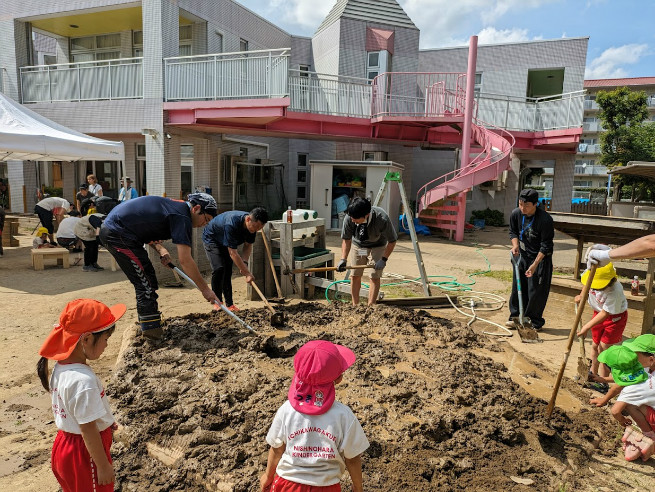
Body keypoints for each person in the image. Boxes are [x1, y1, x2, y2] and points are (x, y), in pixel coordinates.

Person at [99, 193, 219, 339]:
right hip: (117, 233)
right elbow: (185, 260)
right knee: (145, 283)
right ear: (197, 208)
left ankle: (150, 324)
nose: (203, 224)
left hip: (122, 231)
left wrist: (161, 249)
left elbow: (144, 225)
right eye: (205, 219)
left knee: (148, 276)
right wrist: (205, 290)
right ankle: (151, 332)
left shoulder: (177, 208)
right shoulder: (183, 216)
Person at [37, 298, 125, 491]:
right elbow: (87, 429)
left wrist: (105, 421)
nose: (107, 345)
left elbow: (76, 412)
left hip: (64, 445)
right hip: (85, 454)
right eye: (105, 339)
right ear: (86, 339)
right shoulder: (83, 381)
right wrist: (102, 466)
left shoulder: (61, 368)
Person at [260, 340, 369, 492]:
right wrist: (358, 487)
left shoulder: (286, 410)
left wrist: (268, 476)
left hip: (287, 484)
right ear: (339, 378)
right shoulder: (344, 415)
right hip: (326, 487)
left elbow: (277, 449)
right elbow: (352, 458)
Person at [202, 207, 268, 311]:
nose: (256, 230)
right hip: (212, 239)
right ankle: (217, 302)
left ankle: (230, 305)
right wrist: (247, 273)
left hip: (226, 241)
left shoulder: (253, 227)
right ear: (248, 219)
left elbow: (248, 245)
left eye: (259, 228)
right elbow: (233, 253)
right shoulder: (232, 224)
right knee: (219, 268)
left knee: (228, 270)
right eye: (255, 227)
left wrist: (244, 263)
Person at [575, 262, 628, 392]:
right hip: (598, 313)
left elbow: (606, 313)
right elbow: (586, 284)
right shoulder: (592, 274)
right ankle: (593, 374)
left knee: (604, 350)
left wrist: (586, 327)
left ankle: (603, 382)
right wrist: (582, 295)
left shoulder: (615, 290)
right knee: (594, 345)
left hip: (615, 318)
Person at [596, 344, 654, 461]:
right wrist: (604, 379)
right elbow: (623, 379)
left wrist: (622, 420)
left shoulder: (631, 390)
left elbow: (615, 411)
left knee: (630, 406)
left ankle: (650, 435)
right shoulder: (644, 374)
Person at [507, 188, 554, 330]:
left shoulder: (545, 219)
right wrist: (515, 246)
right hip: (522, 256)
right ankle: (515, 317)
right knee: (518, 287)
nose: (522, 208)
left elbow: (546, 246)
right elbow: (513, 231)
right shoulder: (516, 214)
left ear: (535, 204)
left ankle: (534, 321)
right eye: (520, 204)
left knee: (536, 290)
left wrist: (534, 265)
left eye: (526, 206)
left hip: (540, 259)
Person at [338, 197, 397, 306]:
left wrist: (383, 259)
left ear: (366, 215)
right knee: (355, 274)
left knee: (374, 275)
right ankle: (355, 305)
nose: (352, 220)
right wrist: (343, 259)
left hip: (377, 245)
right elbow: (346, 240)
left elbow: (392, 241)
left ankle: (371, 306)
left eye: (355, 218)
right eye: (351, 217)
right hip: (359, 246)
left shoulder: (381, 218)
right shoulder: (350, 217)